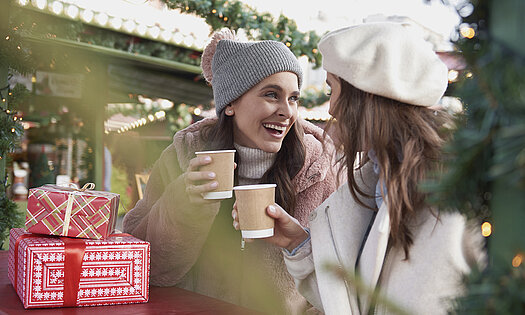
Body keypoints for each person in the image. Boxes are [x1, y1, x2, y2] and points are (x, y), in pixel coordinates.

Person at [233, 22, 486, 315]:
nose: (331, 109)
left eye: (333, 90)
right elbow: (351, 302)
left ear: (364, 95)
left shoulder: (457, 194)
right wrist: (297, 242)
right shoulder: (375, 180)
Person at [123, 29, 337, 314]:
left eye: (294, 98)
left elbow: (341, 278)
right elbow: (144, 268)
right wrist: (184, 207)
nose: (287, 111)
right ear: (231, 103)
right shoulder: (181, 156)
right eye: (272, 95)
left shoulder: (319, 169)